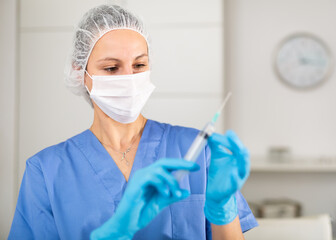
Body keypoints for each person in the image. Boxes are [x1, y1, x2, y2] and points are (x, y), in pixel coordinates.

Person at [8, 4, 258, 240]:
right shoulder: (46, 170)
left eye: (139, 65)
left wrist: (222, 209)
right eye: (111, 68)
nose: (128, 78)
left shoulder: (198, 151)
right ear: (80, 74)